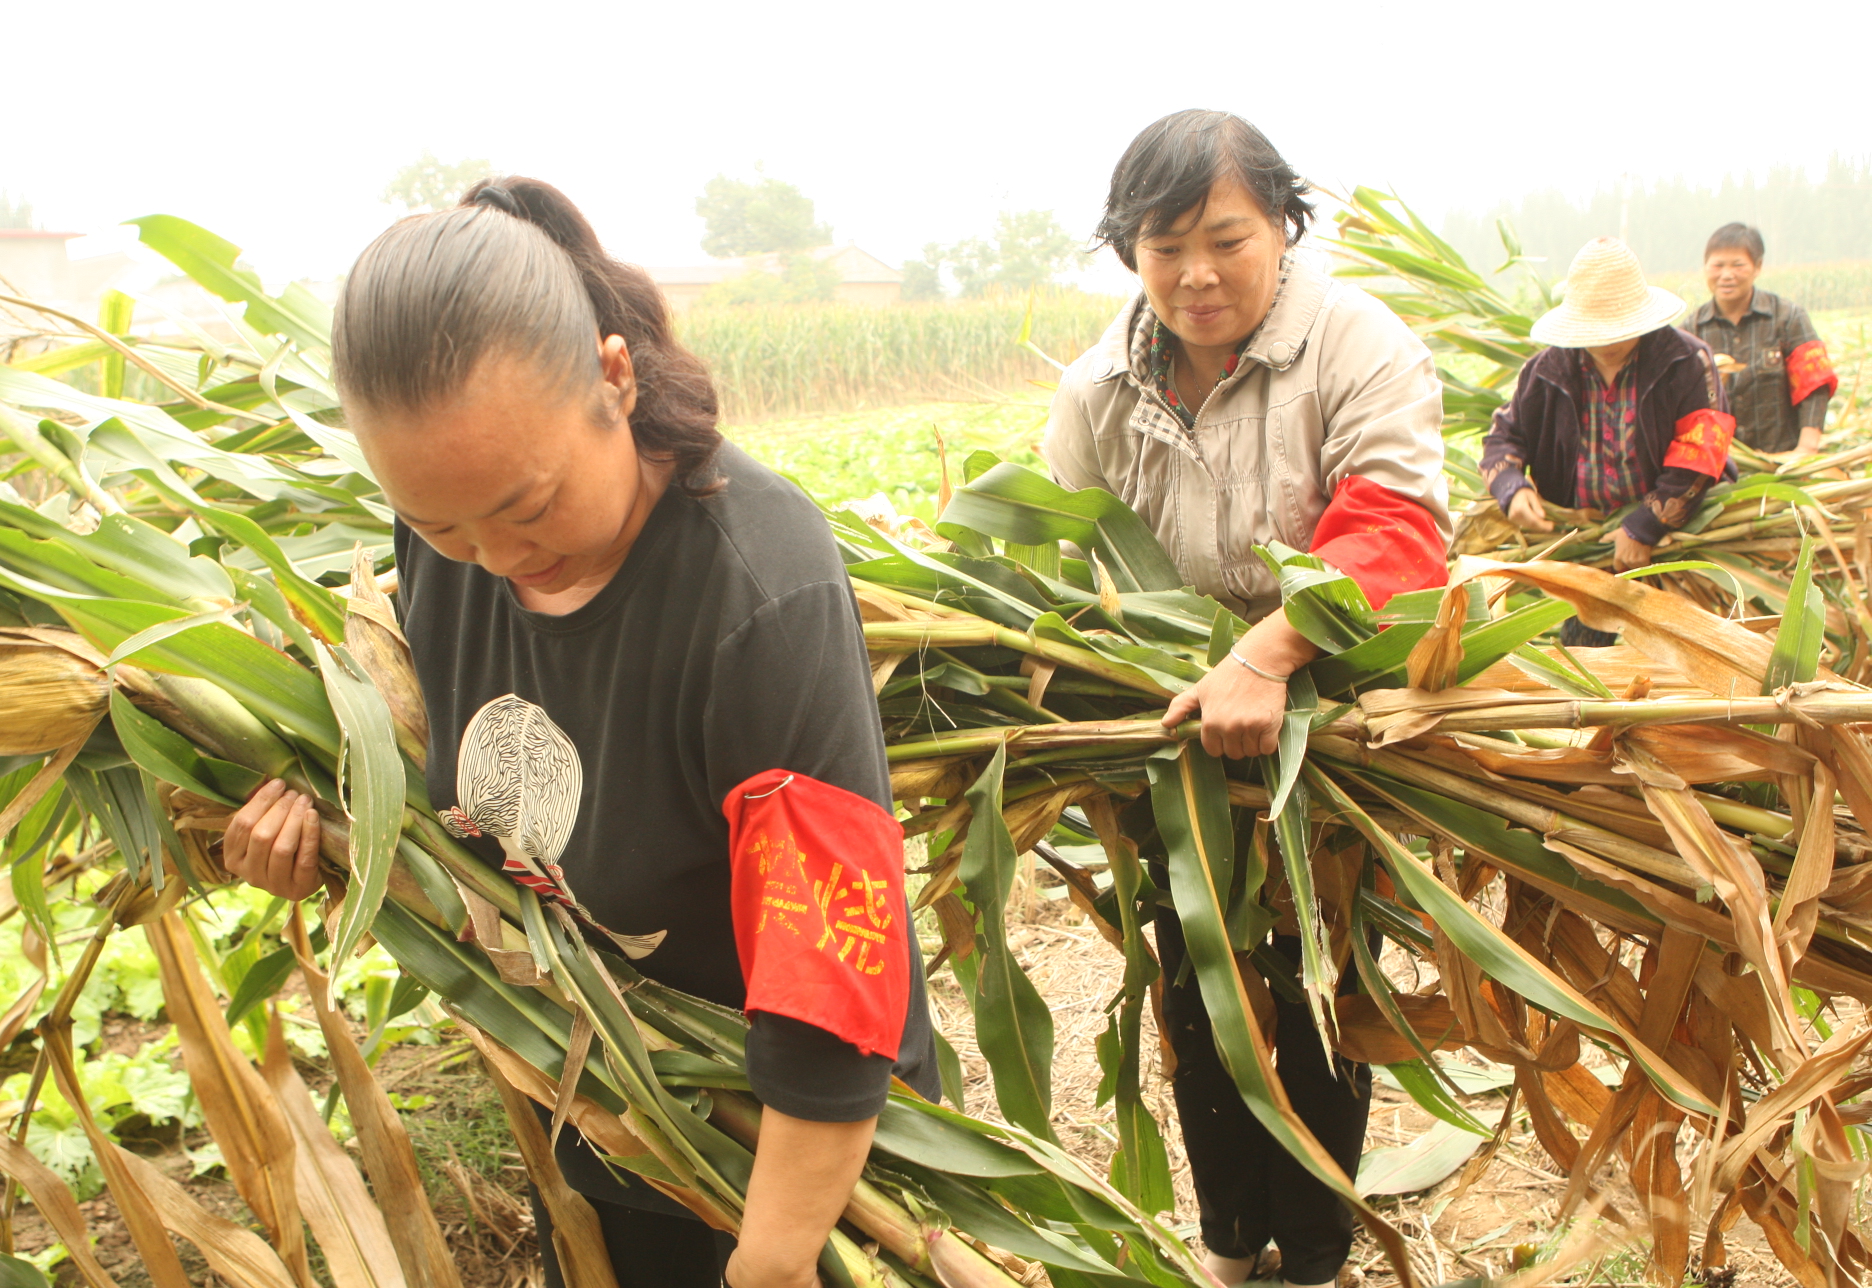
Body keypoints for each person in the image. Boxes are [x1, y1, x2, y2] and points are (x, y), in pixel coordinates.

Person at [216, 177, 937, 1288]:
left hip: (799, 1139)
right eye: (436, 522)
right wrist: (333, 849)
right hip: (602, 1101)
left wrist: (775, 1259)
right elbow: (467, 818)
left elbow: (826, 977)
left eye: (528, 504)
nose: (495, 559)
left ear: (613, 377)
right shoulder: (449, 550)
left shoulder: (755, 588)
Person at [1045, 109, 1451, 1288]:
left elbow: (1393, 531)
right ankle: (1229, 1249)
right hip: (1177, 751)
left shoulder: (1356, 344)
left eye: (1224, 238)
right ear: (1129, 250)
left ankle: (1316, 1256)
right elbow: (1065, 576)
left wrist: (1269, 655)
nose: (1196, 275)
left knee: (1317, 990)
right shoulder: (1096, 393)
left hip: (1331, 739)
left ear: (1281, 222)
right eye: (1163, 247)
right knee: (1194, 990)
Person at [1481, 236, 1735, 646]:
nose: (1608, 341)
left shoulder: (1686, 361)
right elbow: (1502, 438)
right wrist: (1511, 487)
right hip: (1590, 541)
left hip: (1676, 538)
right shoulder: (1545, 371)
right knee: (1588, 669)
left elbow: (1701, 452)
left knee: (1686, 662)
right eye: (1595, 331)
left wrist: (1644, 526)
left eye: (1619, 328)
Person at [1683, 222, 1838, 457]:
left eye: (1738, 265)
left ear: (1757, 266)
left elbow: (1814, 385)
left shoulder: (1787, 317)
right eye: (1718, 265)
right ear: (1705, 267)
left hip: (1782, 461)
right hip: (1718, 467)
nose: (1727, 275)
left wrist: (1806, 449)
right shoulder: (1690, 332)